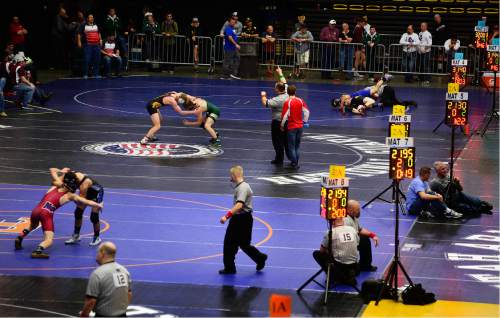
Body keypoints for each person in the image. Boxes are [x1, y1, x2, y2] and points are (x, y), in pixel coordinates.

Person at [14, 170, 103, 258]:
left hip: (35, 210)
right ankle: (38, 250)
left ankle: (20, 236)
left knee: (33, 225)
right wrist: (98, 204)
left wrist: (61, 171)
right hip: (46, 214)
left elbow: (52, 171)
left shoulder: (54, 186)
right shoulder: (70, 195)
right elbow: (85, 201)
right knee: (49, 240)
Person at [219, 166, 268, 274]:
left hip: (240, 219)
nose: (229, 177)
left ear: (234, 175)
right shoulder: (243, 186)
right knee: (244, 244)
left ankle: (230, 268)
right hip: (246, 219)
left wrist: (226, 216)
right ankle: (259, 257)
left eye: (230, 175)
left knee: (229, 244)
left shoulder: (242, 188)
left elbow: (239, 205)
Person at [52, 167, 106, 247]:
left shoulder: (84, 184)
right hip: (85, 191)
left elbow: (81, 200)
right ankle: (76, 236)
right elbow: (54, 182)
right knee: (78, 213)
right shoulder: (69, 175)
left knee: (94, 217)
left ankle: (96, 237)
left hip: (95, 193)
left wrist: (72, 197)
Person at [80, 242, 131, 317]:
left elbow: (91, 301)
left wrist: (83, 315)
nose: (96, 255)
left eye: (98, 252)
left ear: (102, 253)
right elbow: (129, 294)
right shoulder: (124, 271)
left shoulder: (98, 274)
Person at [312, 217, 359, 286]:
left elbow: (322, 250)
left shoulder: (331, 232)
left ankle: (333, 275)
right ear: (342, 220)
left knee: (316, 254)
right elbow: (357, 244)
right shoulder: (352, 229)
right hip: (355, 265)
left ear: (331, 222)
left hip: (340, 266)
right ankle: (349, 274)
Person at [261, 66, 288, 165]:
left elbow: (265, 103)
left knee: (277, 141)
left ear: (277, 90)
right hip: (287, 121)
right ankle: (290, 158)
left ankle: (279, 159)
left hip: (278, 121)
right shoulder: (288, 92)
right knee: (285, 140)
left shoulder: (278, 100)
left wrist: (263, 95)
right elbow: (284, 81)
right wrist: (280, 73)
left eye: (275, 87)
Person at [280, 85, 310, 170]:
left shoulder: (288, 102)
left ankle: (294, 163)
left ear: (288, 92)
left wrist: (282, 126)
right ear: (295, 92)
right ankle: (295, 162)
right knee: (297, 146)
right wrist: (304, 121)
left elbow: (284, 116)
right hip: (300, 126)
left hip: (292, 127)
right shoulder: (300, 100)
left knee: (291, 147)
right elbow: (307, 112)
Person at [344, 200, 379, 272]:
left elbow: (359, 229)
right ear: (350, 210)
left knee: (364, 239)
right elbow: (350, 236)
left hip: (352, 240)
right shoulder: (346, 220)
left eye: (358, 209)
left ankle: (364, 265)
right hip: (346, 244)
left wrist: (373, 235)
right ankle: (362, 265)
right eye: (357, 209)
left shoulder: (353, 217)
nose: (359, 211)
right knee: (364, 240)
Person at [78, 14, 102, 79]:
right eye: (90, 17)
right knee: (87, 59)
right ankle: (85, 74)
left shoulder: (96, 25)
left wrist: (100, 40)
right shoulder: (83, 25)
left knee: (97, 59)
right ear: (87, 19)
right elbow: (79, 34)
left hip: (96, 45)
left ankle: (96, 74)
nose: (92, 18)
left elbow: (99, 33)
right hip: (87, 45)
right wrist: (79, 42)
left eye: (92, 17)